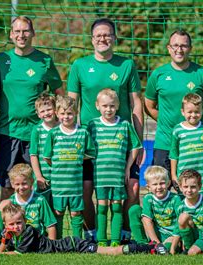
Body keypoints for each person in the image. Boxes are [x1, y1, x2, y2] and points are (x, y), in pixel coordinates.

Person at [67, 18, 144, 241]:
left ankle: (125, 233)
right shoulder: (79, 65)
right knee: (86, 191)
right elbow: (71, 104)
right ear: (92, 39)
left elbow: (136, 104)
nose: (103, 38)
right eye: (99, 35)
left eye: (107, 34)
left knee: (132, 189)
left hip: (120, 142)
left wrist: (138, 140)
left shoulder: (127, 65)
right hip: (89, 144)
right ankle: (92, 234)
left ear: (114, 38)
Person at [0, 15, 63, 202]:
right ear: (11, 34)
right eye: (17, 31)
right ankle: (5, 231)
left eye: (25, 31)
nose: (21, 35)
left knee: (39, 186)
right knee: (8, 188)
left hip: (37, 134)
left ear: (33, 33)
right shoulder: (1, 59)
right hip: (8, 133)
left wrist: (58, 121)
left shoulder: (44, 61)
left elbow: (59, 93)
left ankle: (38, 230)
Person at [145, 29, 203, 182]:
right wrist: (165, 121)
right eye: (175, 45)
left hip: (193, 147)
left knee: (190, 193)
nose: (179, 49)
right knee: (161, 193)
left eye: (184, 46)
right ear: (168, 48)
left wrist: (195, 125)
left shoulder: (202, 73)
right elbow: (149, 106)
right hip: (164, 143)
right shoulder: (158, 74)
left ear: (190, 49)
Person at [0, 204, 163, 255]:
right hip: (69, 245)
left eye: (19, 222)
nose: (16, 227)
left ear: (25, 221)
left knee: (111, 251)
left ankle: (151, 248)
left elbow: (15, 254)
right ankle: (146, 248)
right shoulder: (11, 233)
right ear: (6, 224)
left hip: (71, 245)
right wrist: (3, 241)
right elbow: (3, 248)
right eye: (12, 224)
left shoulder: (28, 231)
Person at [86, 89, 142, 246]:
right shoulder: (93, 125)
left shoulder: (124, 125)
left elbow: (135, 146)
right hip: (101, 175)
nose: (108, 109)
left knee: (117, 207)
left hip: (117, 175)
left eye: (112, 106)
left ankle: (116, 240)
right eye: (104, 106)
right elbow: (85, 146)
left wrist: (127, 168)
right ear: (97, 106)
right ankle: (102, 240)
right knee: (102, 207)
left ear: (117, 106)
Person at [43, 95, 95, 239]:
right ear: (57, 114)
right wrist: (60, 165)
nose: (66, 116)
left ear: (76, 113)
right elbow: (47, 157)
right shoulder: (53, 133)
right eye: (63, 113)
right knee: (58, 212)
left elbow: (91, 153)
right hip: (59, 184)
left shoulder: (83, 133)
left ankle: (77, 242)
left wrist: (75, 159)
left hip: (75, 184)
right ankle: (59, 242)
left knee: (76, 213)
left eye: (70, 113)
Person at [0, 163, 57, 250]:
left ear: (32, 182)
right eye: (17, 184)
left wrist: (51, 247)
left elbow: (51, 226)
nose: (21, 187)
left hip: (36, 243)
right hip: (14, 244)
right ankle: (1, 246)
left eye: (24, 183)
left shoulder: (40, 200)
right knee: (3, 204)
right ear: (12, 184)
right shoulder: (10, 202)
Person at [169, 93, 203, 188]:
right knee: (186, 199)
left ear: (202, 111)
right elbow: (174, 155)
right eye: (190, 112)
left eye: (197, 112)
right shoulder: (177, 130)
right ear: (182, 111)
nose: (193, 115)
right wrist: (173, 175)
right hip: (184, 175)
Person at [128, 166, 182, 255]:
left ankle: (155, 248)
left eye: (162, 183)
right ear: (148, 186)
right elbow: (147, 220)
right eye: (155, 184)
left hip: (173, 236)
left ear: (168, 183)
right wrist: (157, 243)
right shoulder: (148, 198)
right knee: (134, 209)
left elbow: (180, 222)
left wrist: (175, 237)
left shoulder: (175, 199)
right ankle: (143, 244)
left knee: (168, 249)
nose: (159, 187)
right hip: (157, 234)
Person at [29, 92, 59, 205]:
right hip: (44, 179)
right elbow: (33, 155)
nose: (46, 113)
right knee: (43, 207)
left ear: (55, 109)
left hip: (60, 176)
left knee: (58, 209)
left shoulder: (63, 127)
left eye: (49, 109)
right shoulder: (37, 130)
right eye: (42, 111)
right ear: (38, 114)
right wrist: (39, 177)